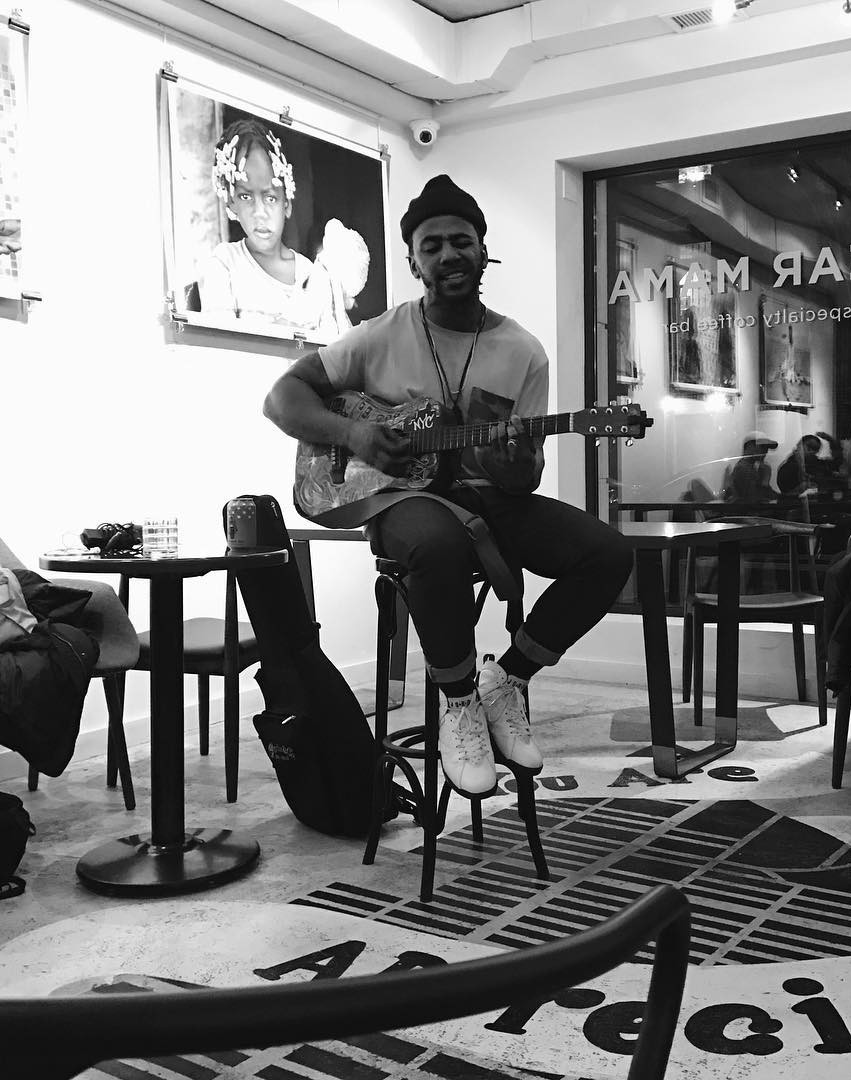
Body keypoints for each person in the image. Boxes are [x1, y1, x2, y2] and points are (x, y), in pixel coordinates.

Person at [263, 174, 634, 797]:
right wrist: (354, 437)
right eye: (431, 246)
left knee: (608, 554)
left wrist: (516, 462)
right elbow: (283, 398)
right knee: (438, 545)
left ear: (484, 249)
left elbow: (524, 477)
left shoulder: (524, 352)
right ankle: (457, 699)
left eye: (461, 241)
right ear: (413, 261)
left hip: (483, 496)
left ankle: (507, 681)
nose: (448, 256)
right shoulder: (381, 333)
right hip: (396, 497)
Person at [198, 118, 339, 342]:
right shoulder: (224, 264)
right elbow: (220, 347)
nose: (260, 212)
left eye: (270, 197)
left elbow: (332, 353)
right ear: (231, 203)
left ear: (287, 202)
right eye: (245, 196)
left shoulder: (311, 275)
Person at [724, 432, 778, 503]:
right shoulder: (743, 468)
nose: (765, 451)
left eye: (766, 448)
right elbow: (753, 500)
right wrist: (765, 480)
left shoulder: (752, 468)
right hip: (747, 513)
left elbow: (769, 495)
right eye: (762, 447)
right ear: (749, 446)